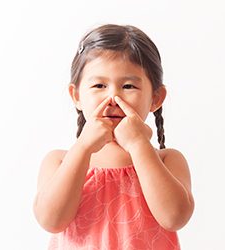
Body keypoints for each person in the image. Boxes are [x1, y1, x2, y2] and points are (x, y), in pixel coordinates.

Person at [33, 24, 195, 249]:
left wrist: (139, 144)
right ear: (76, 95)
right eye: (99, 85)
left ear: (156, 98)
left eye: (128, 86)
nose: (113, 97)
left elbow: (174, 218)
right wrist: (83, 148)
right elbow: (51, 221)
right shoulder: (59, 161)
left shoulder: (168, 161)